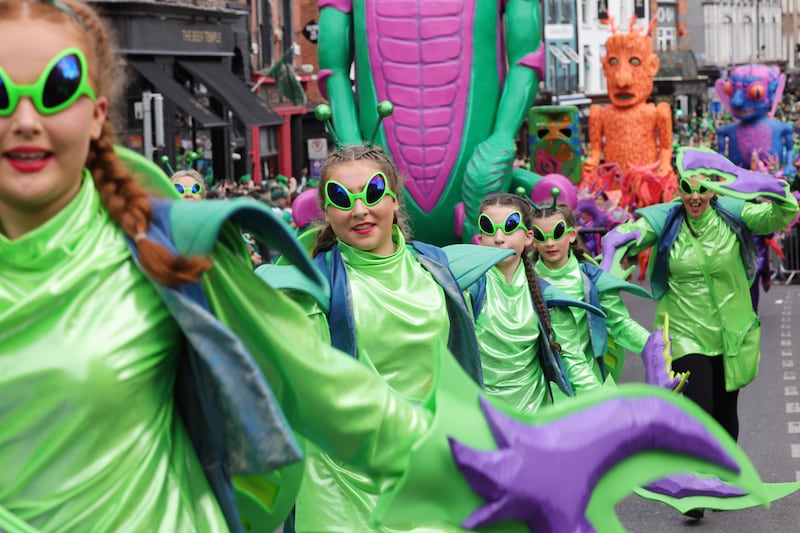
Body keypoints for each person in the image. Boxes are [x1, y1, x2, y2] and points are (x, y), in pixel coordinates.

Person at [0, 3, 780, 532]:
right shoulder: (300, 272)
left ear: (98, 110)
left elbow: (326, 389)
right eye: (4, 95)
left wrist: (514, 456)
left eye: (56, 86)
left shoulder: (169, 240)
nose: (26, 118)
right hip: (339, 498)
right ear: (325, 210)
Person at [278, 143, 487, 532]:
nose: (359, 210)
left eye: (372, 193)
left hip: (428, 468)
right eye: (341, 198)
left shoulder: (439, 272)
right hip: (337, 480)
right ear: (326, 211)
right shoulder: (308, 287)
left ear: (394, 199)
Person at [601, 147, 800, 441]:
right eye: (687, 188)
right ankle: (702, 475)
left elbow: (779, 216)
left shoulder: (735, 213)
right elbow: (628, 236)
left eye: (702, 189)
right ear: (678, 189)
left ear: (713, 190)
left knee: (724, 414)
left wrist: (773, 189)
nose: (695, 196)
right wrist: (615, 251)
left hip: (731, 330)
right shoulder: (666, 220)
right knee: (700, 408)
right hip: (684, 331)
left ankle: (725, 478)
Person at [530, 193, 657, 394]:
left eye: (557, 232)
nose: (549, 243)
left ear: (571, 235)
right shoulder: (525, 279)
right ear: (532, 239)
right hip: (543, 392)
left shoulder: (590, 278)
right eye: (540, 236)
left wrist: (653, 346)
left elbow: (619, 323)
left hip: (590, 384)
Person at [471, 192, 575, 412]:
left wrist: (603, 402)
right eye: (489, 228)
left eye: (509, 226)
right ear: (480, 238)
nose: (499, 238)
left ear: (528, 238)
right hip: (485, 415)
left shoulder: (544, 295)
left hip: (535, 414)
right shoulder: (466, 289)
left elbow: (573, 358)